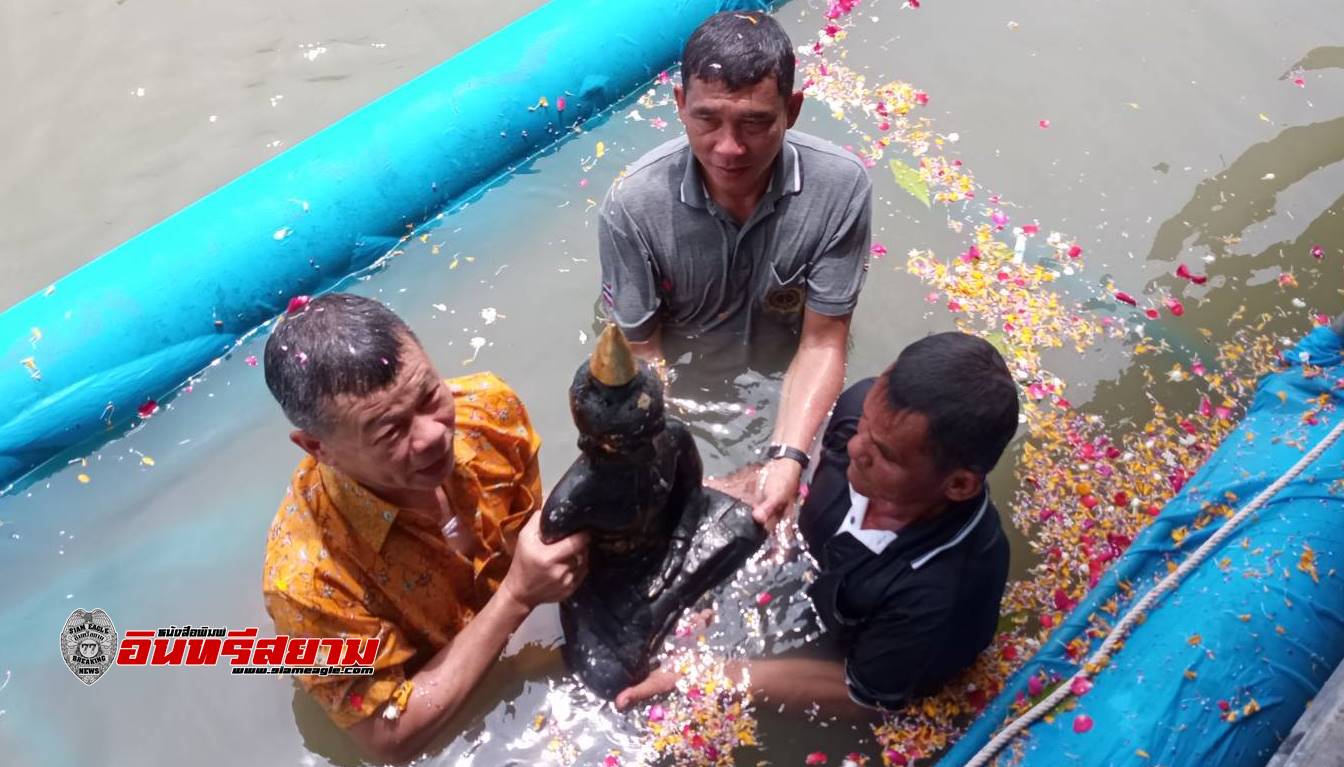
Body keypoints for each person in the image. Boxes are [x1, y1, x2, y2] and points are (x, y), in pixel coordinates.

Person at [259, 293, 589, 763]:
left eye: (430, 395)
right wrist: (517, 595)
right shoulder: (306, 583)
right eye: (390, 431)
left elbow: (535, 538)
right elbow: (387, 739)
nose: (434, 434)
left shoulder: (491, 412)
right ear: (318, 447)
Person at [616, 332, 1019, 714]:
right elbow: (798, 486)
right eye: (864, 423)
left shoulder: (942, 593)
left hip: (863, 646)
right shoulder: (863, 412)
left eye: (884, 455)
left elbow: (861, 693)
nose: (855, 446)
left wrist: (707, 674)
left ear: (959, 484)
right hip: (813, 566)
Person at [598, 11, 873, 529]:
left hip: (785, 363)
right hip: (680, 367)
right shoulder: (633, 205)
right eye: (707, 119)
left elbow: (822, 341)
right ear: (680, 106)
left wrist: (787, 457)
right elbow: (641, 349)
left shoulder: (841, 187)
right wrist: (679, 465)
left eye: (755, 122)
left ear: (791, 110)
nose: (729, 148)